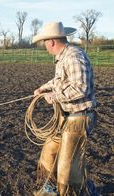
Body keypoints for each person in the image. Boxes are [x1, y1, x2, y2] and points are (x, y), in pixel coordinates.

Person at [32, 22, 97, 195]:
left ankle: (82, 190)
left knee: (67, 167)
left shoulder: (74, 57)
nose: (45, 45)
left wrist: (55, 97)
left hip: (78, 117)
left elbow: (81, 88)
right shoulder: (63, 57)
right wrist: (44, 88)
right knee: (49, 152)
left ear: (51, 42)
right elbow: (59, 81)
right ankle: (52, 188)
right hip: (66, 116)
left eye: (45, 42)